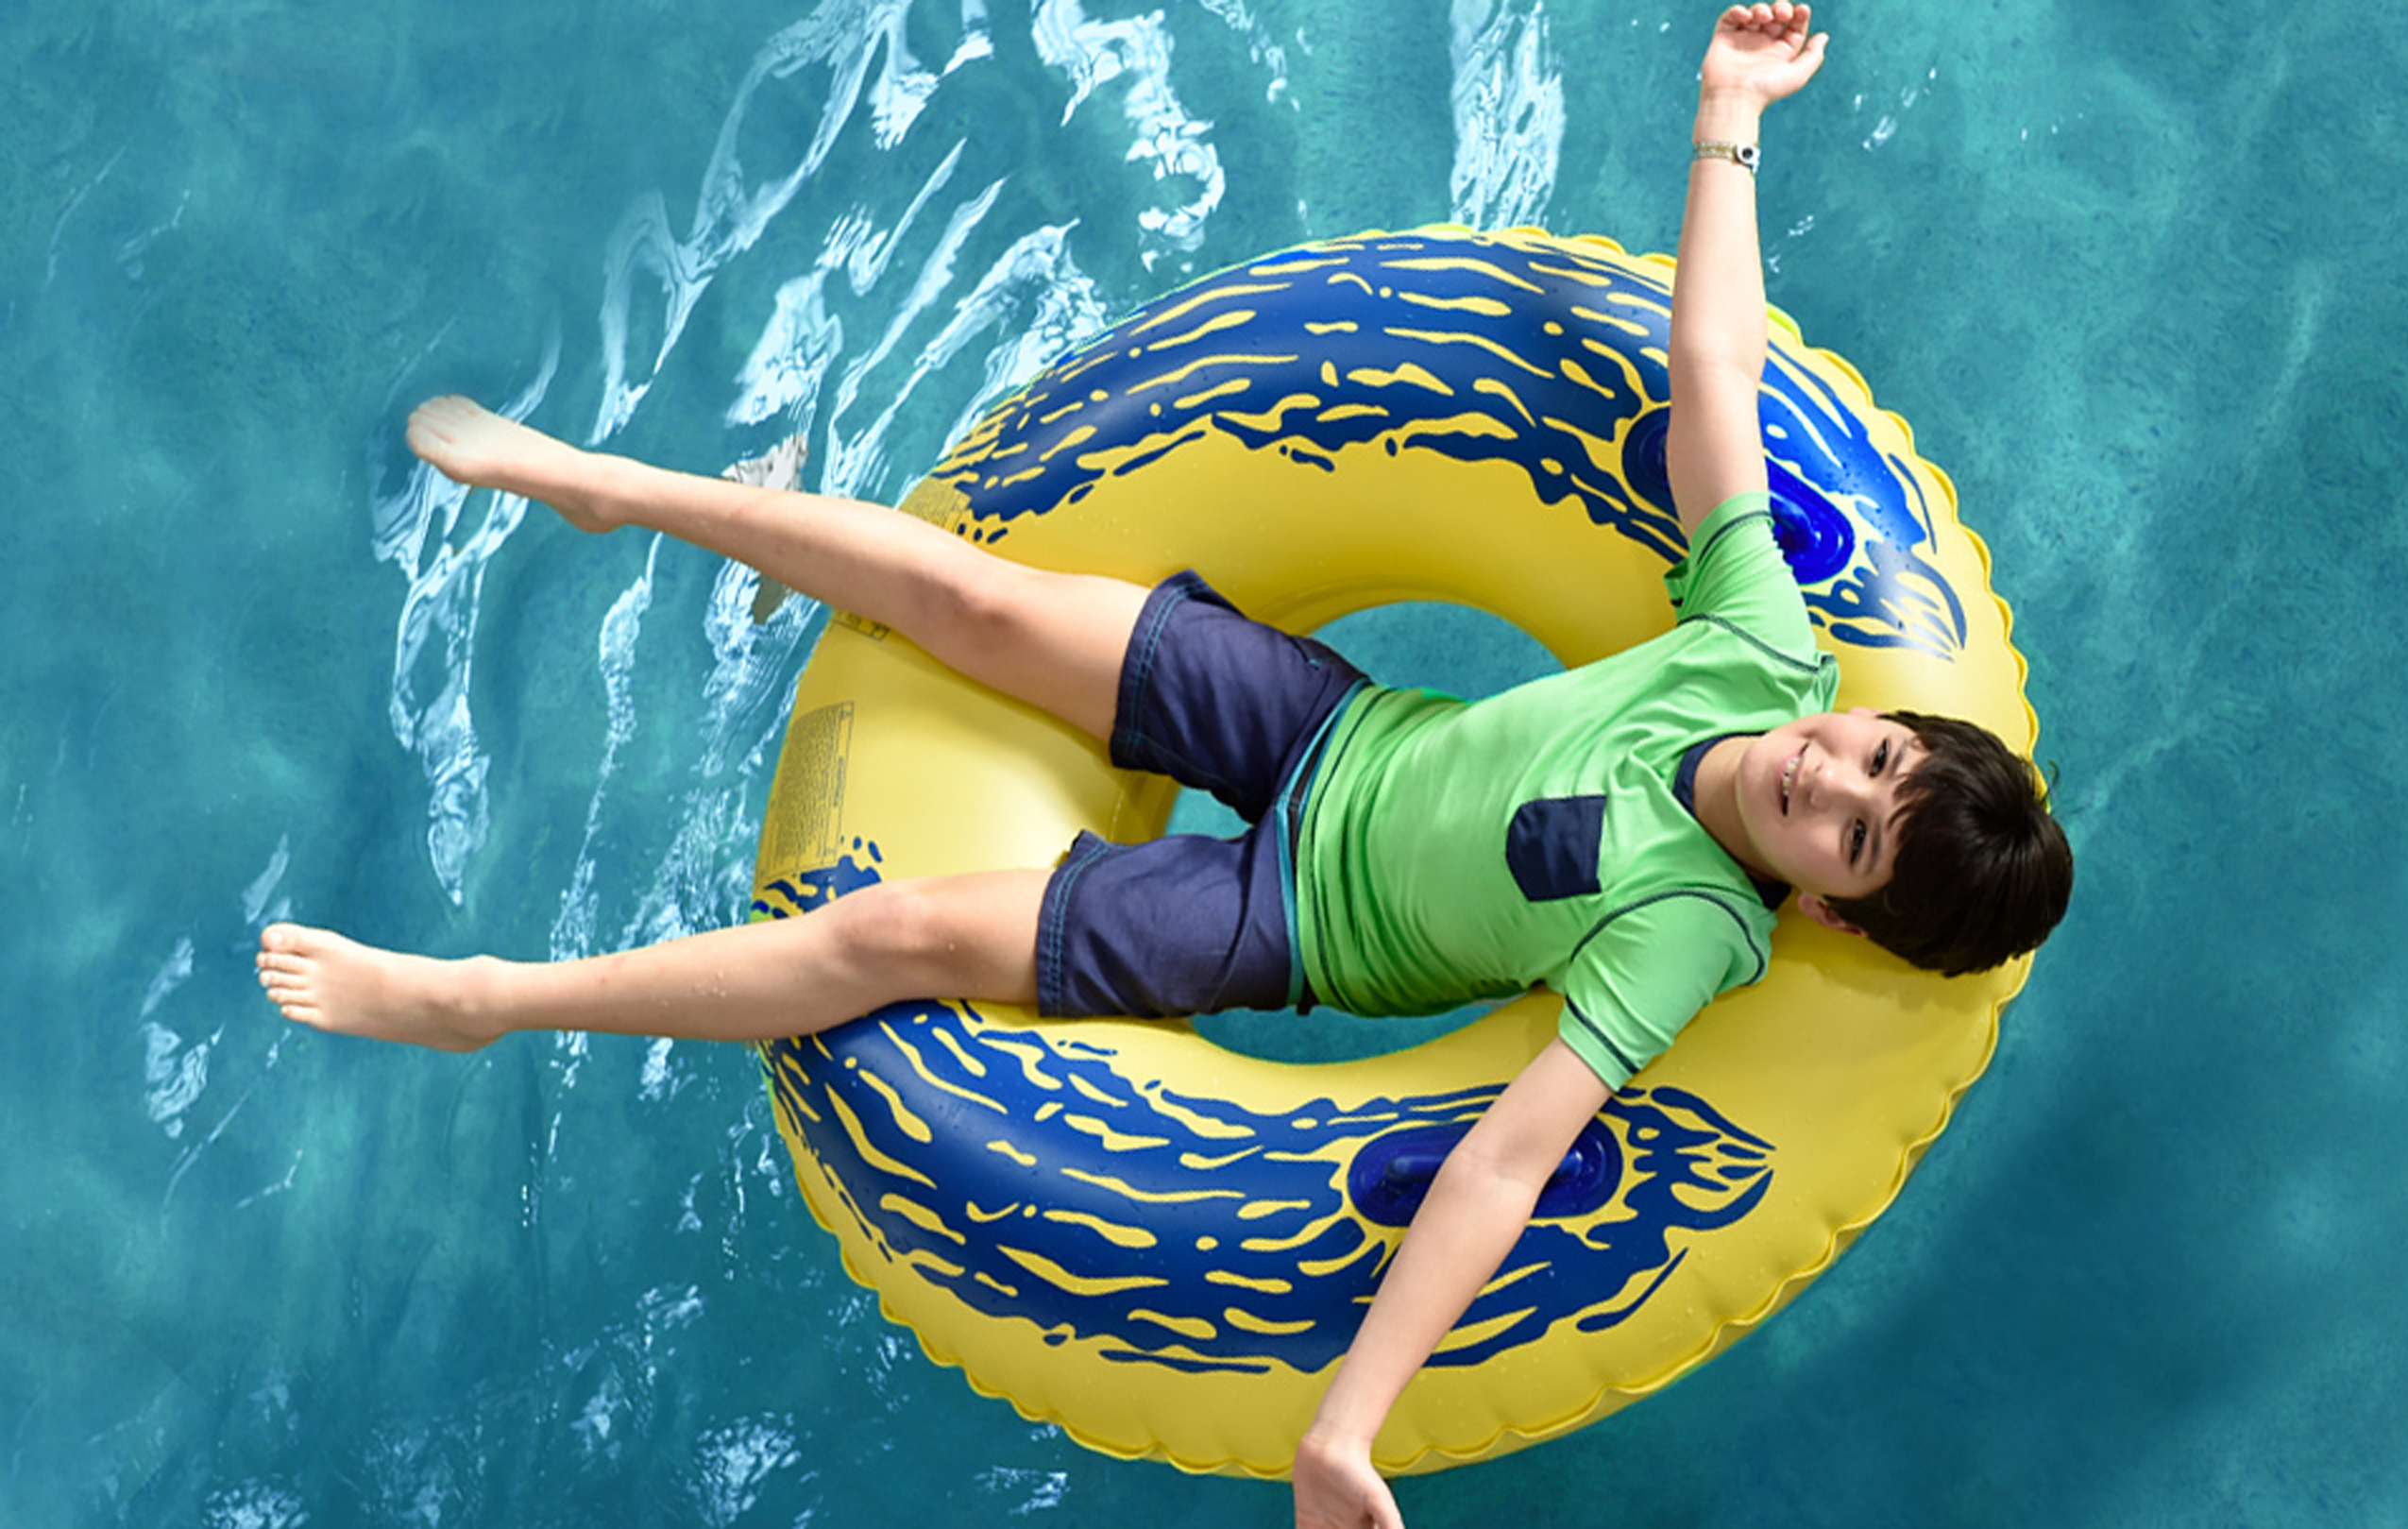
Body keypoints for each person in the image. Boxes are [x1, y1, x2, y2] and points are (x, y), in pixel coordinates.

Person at [258, 8, 2068, 1524]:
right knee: (966, 592)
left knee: (895, 939)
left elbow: (1512, 1164)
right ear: (1881, 711)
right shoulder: (1758, 646)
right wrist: (1727, 122)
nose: (1819, 774)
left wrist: (1346, 1423)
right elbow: (1710, 376)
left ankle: (487, 997)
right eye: (1871, 754)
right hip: (1328, 721)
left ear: (1829, 902)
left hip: (1278, 919)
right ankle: (608, 484)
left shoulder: (1691, 935)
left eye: (1844, 834)